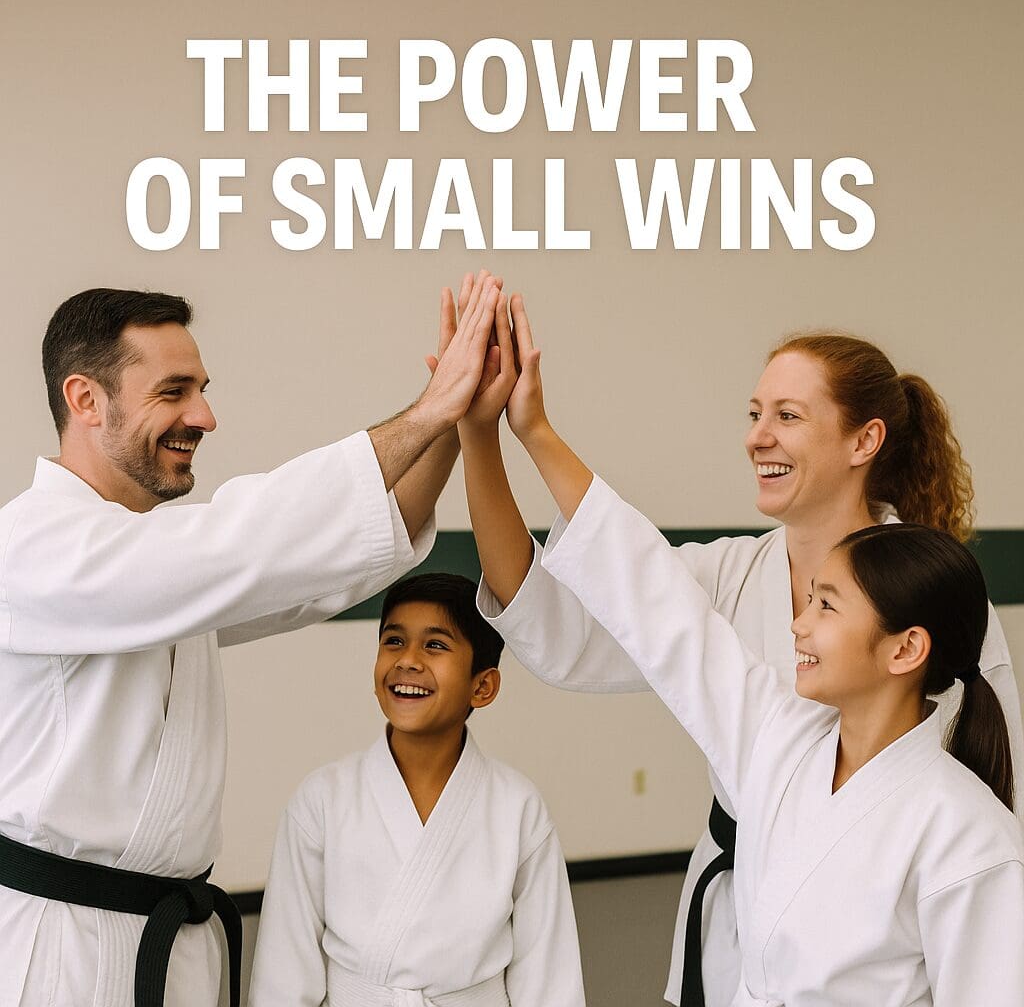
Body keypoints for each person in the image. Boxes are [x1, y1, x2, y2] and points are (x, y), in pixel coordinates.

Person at [460, 302, 1024, 1007]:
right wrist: (497, 436)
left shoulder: (959, 809)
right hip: (739, 921)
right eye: (754, 413)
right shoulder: (755, 667)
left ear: (864, 440)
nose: (758, 436)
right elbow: (641, 597)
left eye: (788, 415)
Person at [0, 272, 502, 1007]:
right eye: (173, 391)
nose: (203, 415)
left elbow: (324, 568)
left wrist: (454, 422)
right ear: (85, 399)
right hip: (62, 957)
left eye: (201, 389)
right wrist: (429, 407)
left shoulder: (159, 564)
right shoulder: (32, 546)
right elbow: (247, 539)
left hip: (172, 945)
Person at [248, 573, 586, 1007]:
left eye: (435, 645)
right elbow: (284, 971)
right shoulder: (322, 800)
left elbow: (549, 979)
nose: (407, 660)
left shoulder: (518, 808)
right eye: (393, 641)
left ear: (482, 687)